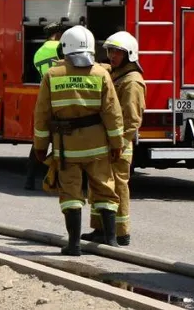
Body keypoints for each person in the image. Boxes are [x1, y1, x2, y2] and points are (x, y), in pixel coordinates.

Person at [33, 25, 126, 255]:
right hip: (98, 146)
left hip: (67, 148)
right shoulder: (101, 74)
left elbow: (42, 114)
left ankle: (74, 244)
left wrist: (40, 147)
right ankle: (112, 241)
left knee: (71, 195)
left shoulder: (52, 75)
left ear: (64, 47)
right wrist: (117, 145)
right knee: (105, 189)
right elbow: (113, 114)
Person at [82, 31, 146, 247]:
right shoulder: (117, 74)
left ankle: (121, 232)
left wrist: (118, 144)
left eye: (117, 52)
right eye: (110, 51)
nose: (112, 56)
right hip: (106, 143)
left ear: (129, 54)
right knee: (100, 186)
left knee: (117, 187)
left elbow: (131, 119)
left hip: (119, 146)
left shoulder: (131, 82)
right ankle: (100, 228)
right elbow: (102, 68)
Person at [25, 22, 67, 190]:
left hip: (46, 97)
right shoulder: (60, 47)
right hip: (62, 96)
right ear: (57, 34)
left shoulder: (38, 52)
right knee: (63, 141)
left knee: (40, 141)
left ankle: (29, 179)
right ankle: (60, 179)